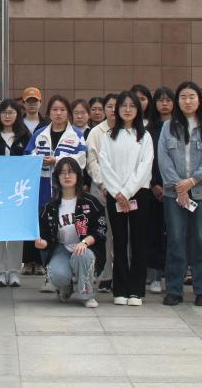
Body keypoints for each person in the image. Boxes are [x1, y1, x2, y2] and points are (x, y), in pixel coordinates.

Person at [159, 82, 202, 307]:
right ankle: (174, 289)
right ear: (178, 101)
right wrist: (179, 186)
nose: (187, 101)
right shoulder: (168, 127)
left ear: (199, 100)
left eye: (192, 96)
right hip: (174, 193)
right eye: (183, 97)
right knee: (175, 239)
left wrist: (192, 182)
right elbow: (163, 158)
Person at [25, 95, 88, 292]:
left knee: (68, 232)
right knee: (45, 233)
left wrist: (58, 160)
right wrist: (39, 159)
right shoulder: (40, 134)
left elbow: (82, 159)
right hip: (44, 190)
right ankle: (50, 275)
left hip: (68, 193)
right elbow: (27, 155)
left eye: (62, 110)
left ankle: (72, 273)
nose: (58, 113)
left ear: (67, 113)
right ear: (49, 112)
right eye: (54, 109)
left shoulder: (76, 134)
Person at [98, 90, 154, 306]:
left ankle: (136, 290)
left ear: (138, 110)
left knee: (138, 242)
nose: (128, 110)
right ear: (117, 109)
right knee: (119, 242)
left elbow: (145, 165)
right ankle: (120, 289)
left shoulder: (145, 136)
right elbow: (105, 165)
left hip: (139, 193)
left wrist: (128, 191)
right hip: (115, 195)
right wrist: (118, 192)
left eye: (132, 106)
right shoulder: (108, 136)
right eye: (123, 106)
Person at [35, 157, 106, 309]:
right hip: (61, 248)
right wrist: (42, 243)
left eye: (71, 172)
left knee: (83, 255)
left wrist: (84, 242)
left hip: (85, 248)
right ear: (57, 177)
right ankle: (65, 287)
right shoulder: (50, 206)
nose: (67, 176)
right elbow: (46, 236)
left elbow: (100, 229)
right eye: (62, 173)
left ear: (78, 176)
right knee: (57, 274)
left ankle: (87, 294)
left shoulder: (90, 202)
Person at [0, 100, 31, 287]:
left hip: (17, 191)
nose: (7, 116)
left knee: (15, 230)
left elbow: (30, 159)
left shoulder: (25, 135)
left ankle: (14, 271)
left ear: (17, 115)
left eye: (11, 112)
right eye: (4, 112)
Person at [84, 92, 118, 290]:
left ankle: (122, 273)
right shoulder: (96, 132)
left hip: (124, 193)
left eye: (116, 106)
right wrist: (104, 185)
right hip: (101, 192)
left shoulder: (129, 130)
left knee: (124, 236)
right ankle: (106, 274)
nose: (113, 110)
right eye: (109, 106)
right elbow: (92, 162)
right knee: (105, 234)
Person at [145, 87, 175, 295]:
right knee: (153, 232)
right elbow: (148, 160)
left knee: (175, 234)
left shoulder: (179, 127)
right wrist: (154, 184)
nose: (164, 104)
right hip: (153, 188)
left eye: (168, 100)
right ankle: (154, 275)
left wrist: (172, 185)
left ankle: (172, 274)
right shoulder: (149, 129)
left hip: (177, 188)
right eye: (160, 100)